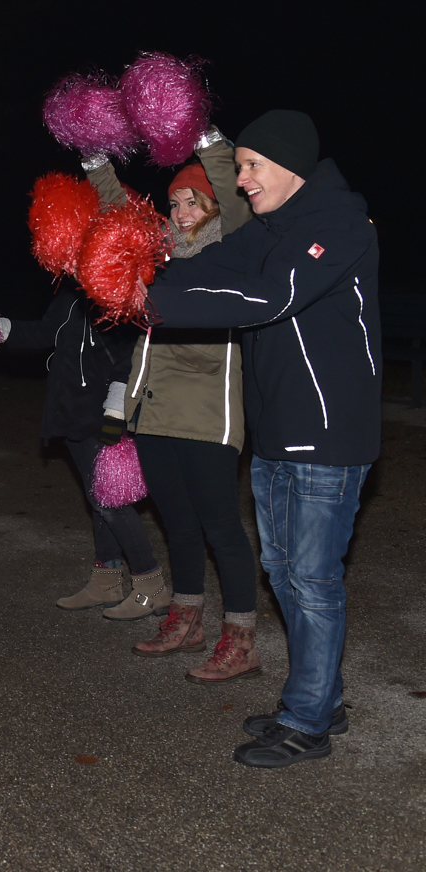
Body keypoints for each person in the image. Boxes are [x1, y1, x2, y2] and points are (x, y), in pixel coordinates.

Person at [143, 110, 381, 767]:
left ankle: (307, 721)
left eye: (253, 166)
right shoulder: (272, 230)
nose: (242, 179)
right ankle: (317, 698)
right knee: (286, 575)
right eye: (239, 164)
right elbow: (212, 265)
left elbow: (270, 298)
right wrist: (134, 279)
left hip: (329, 434)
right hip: (274, 432)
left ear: (291, 166)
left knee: (313, 580)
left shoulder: (337, 225)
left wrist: (152, 308)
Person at [84, 129, 261, 680]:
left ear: (214, 206)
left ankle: (242, 636)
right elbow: (123, 209)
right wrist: (94, 159)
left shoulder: (234, 249)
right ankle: (188, 619)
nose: (182, 212)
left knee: (221, 528)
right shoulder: (160, 253)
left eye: (194, 202)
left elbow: (235, 198)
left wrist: (205, 137)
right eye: (176, 203)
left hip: (208, 415)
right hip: (154, 410)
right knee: (178, 524)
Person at [0, 263, 166, 621]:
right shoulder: (71, 294)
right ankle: (106, 580)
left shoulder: (119, 293)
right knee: (98, 499)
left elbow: (131, 355)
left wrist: (115, 410)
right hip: (70, 410)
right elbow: (44, 333)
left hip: (103, 415)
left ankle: (151, 585)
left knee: (110, 502)